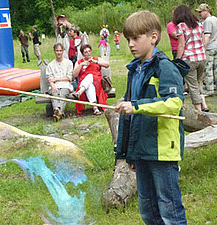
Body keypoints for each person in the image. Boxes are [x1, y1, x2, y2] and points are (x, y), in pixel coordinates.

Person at [115, 10, 188, 225]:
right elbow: (130, 117)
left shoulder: (165, 68)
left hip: (162, 150)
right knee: (147, 209)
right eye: (128, 39)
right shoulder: (134, 70)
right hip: (141, 149)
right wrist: (127, 152)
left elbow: (174, 103)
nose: (130, 44)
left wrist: (136, 106)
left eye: (136, 38)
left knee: (169, 207)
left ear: (153, 37)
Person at [175, 5, 209, 111]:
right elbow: (203, 42)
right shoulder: (198, 24)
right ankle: (204, 105)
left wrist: (177, 60)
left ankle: (198, 110)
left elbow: (181, 45)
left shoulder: (181, 26)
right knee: (197, 82)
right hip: (202, 58)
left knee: (192, 85)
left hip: (189, 59)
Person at [197, 3, 217, 96]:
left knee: (208, 69)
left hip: (209, 48)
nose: (199, 14)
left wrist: (203, 48)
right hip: (216, 46)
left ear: (206, 11)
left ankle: (210, 90)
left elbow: (207, 35)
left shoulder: (207, 21)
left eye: (200, 12)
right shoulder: (215, 19)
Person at [72, 44, 109, 115]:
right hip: (84, 84)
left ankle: (79, 93)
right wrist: (81, 65)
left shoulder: (96, 59)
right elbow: (74, 75)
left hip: (97, 82)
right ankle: (95, 108)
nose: (88, 53)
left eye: (89, 51)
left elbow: (107, 65)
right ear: (83, 54)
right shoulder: (79, 62)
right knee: (90, 86)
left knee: (90, 76)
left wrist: (95, 62)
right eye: (86, 52)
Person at [46, 43, 73, 121]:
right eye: (57, 51)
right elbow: (50, 78)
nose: (59, 53)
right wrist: (52, 85)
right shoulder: (50, 65)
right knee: (54, 94)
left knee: (62, 95)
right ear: (54, 51)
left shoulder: (68, 63)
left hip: (65, 85)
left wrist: (56, 79)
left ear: (63, 51)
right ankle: (59, 112)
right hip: (54, 85)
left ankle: (57, 110)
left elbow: (69, 78)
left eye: (60, 51)